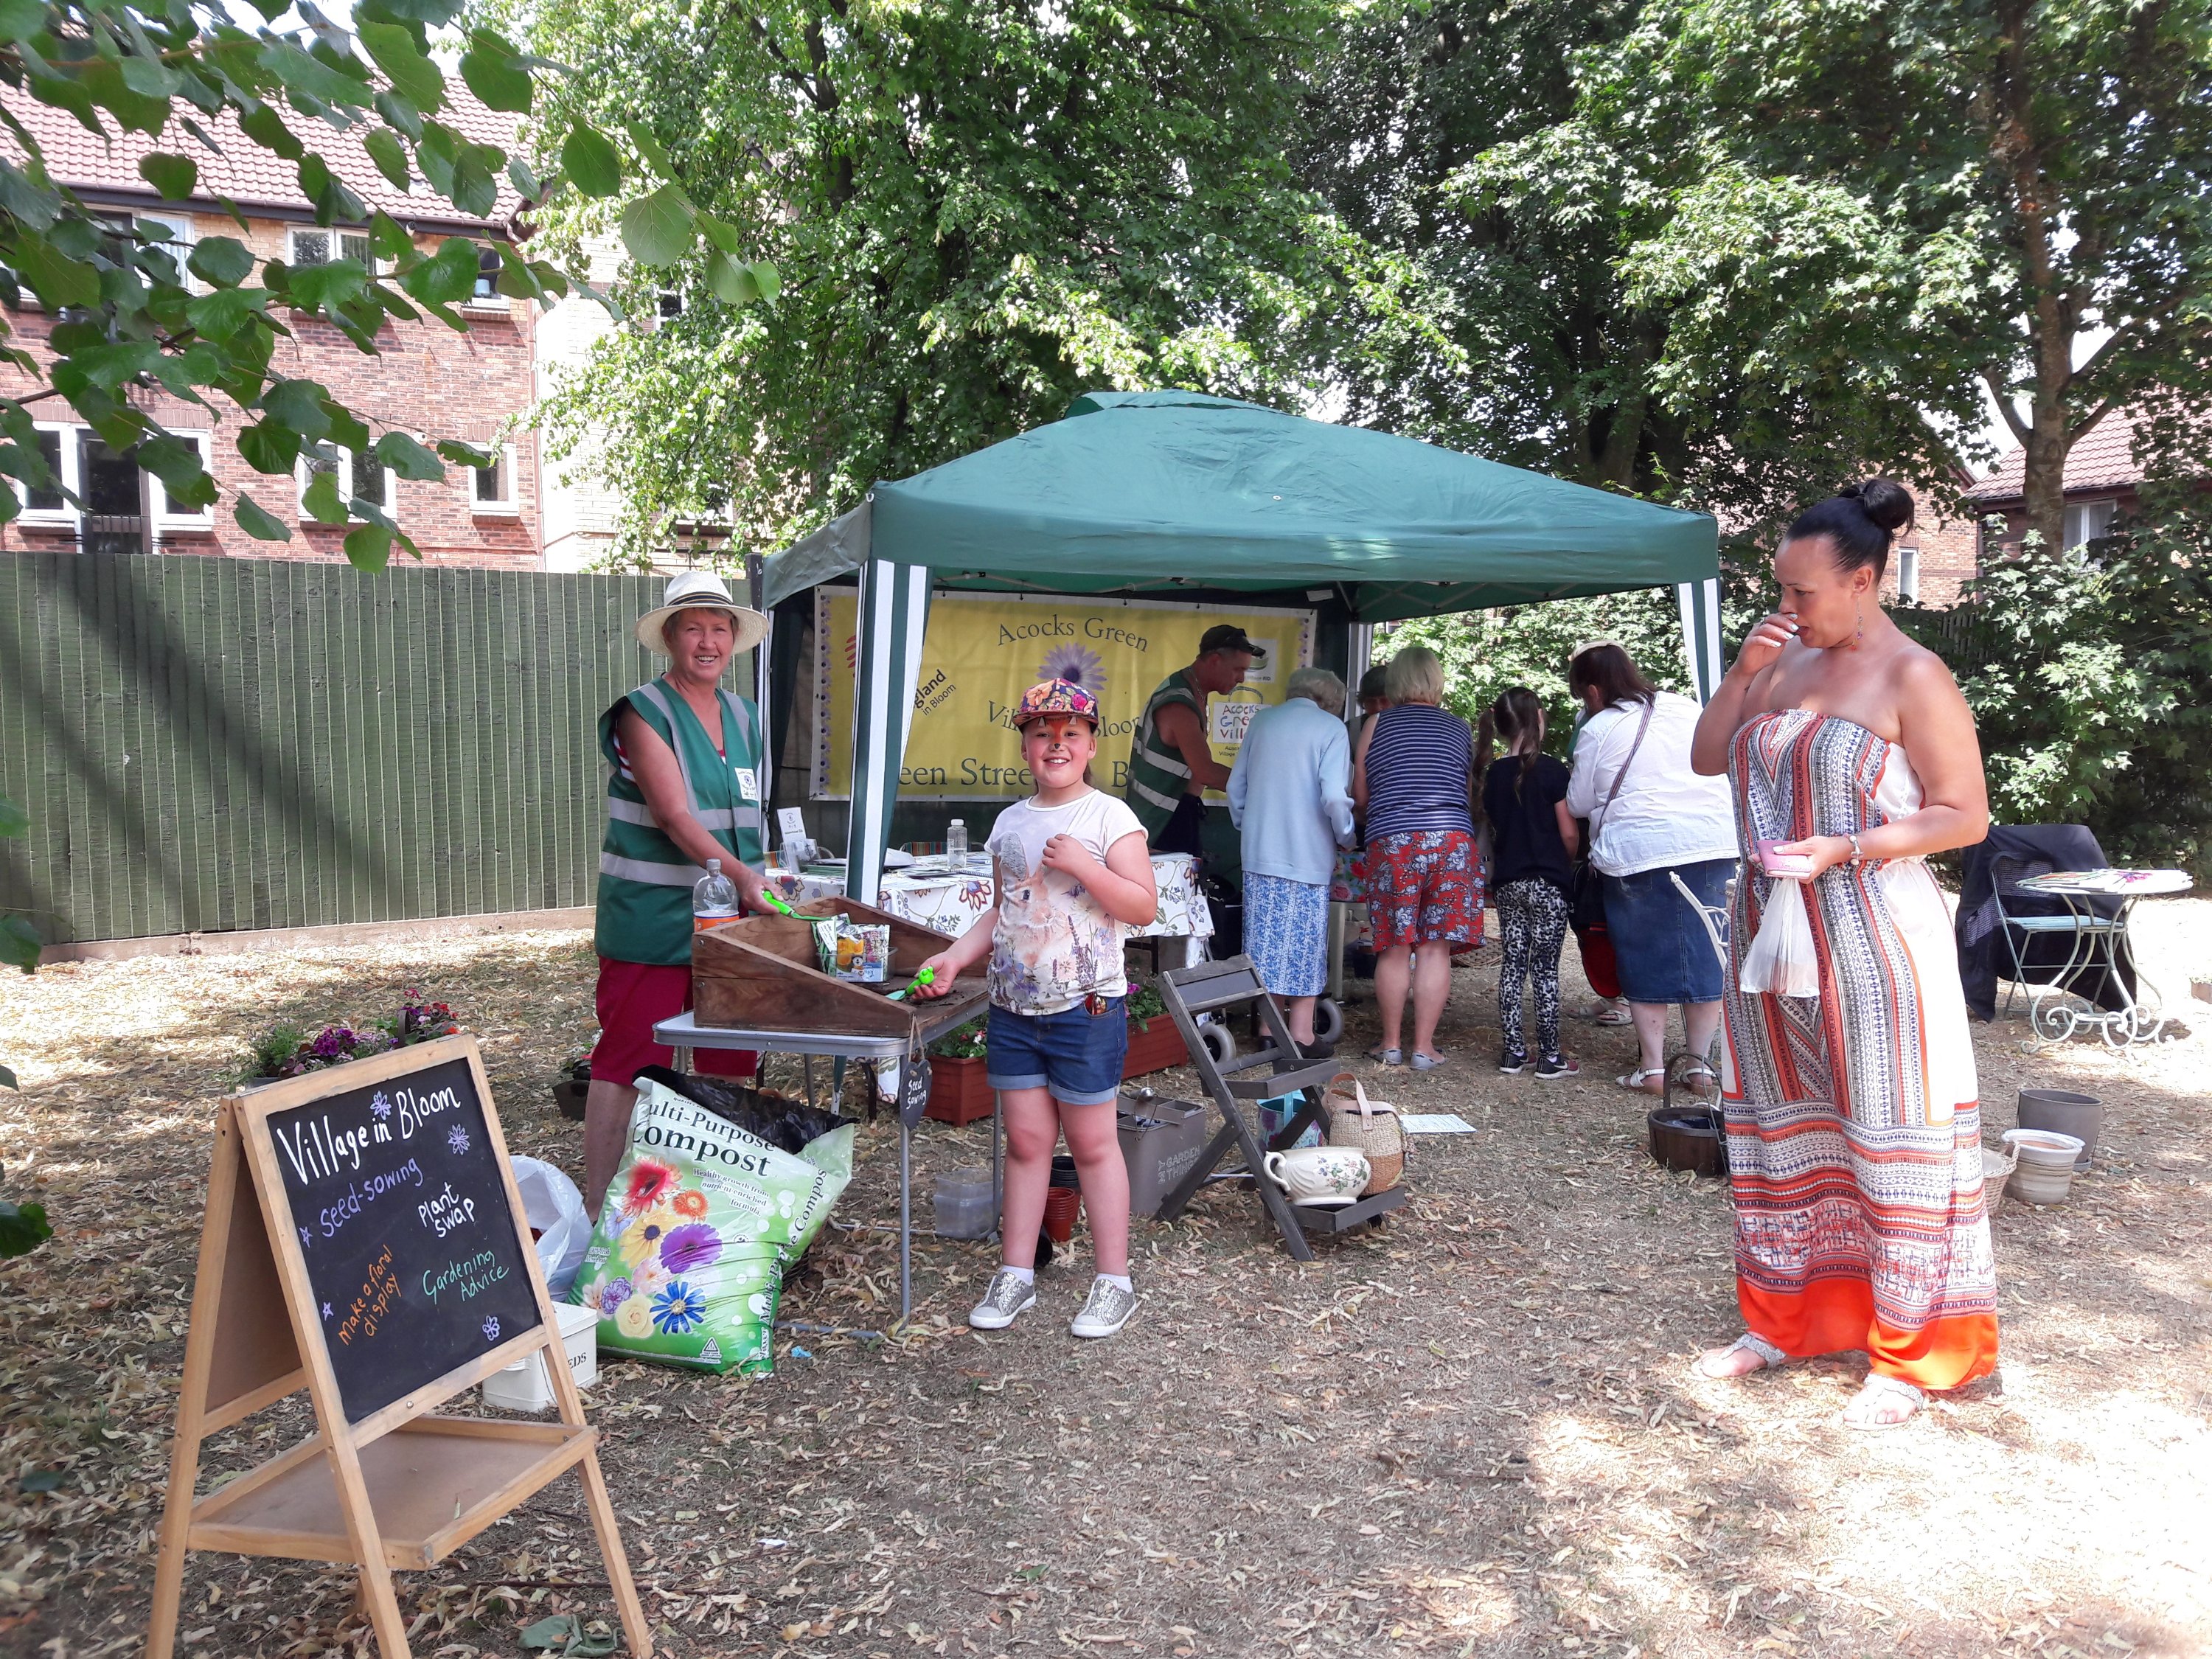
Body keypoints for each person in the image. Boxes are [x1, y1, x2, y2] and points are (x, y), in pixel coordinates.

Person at [1688, 479, 1997, 1431]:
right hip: (1768, 929)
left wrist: (1850, 846)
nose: (1787, 606)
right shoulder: (1781, 662)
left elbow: (1965, 815)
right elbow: (1706, 757)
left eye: (1802, 591)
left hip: (1874, 932)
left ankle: (1906, 1356)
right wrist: (1740, 675)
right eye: (1781, 588)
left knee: (1891, 1131)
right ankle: (1784, 1321)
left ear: (1863, 581)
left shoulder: (1914, 676)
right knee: (1778, 1126)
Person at [916, 680, 1159, 1339]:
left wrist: (1086, 867)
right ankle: (1015, 1273)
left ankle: (1114, 1283)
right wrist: (955, 958)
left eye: (1071, 734)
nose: (1056, 745)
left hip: (1087, 1007)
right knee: (1025, 1144)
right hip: (1014, 1009)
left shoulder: (1110, 818)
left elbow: (1142, 906)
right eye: (1041, 734)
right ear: (1024, 746)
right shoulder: (1010, 823)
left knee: (1092, 1145)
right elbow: (1004, 909)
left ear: (1091, 746)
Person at [585, 570, 776, 1218]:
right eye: (693, 628)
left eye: (719, 628)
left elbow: (746, 815)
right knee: (630, 1062)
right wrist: (746, 877)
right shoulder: (644, 712)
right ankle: (599, 1216)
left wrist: (762, 877)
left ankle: (713, 1212)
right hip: (652, 919)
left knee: (729, 1058)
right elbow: (672, 815)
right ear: (669, 637)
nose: (708, 641)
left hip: (733, 925)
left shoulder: (746, 717)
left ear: (734, 639)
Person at [1564, 642, 1736, 1097]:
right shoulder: (1687, 707)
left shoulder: (1600, 726)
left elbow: (1579, 802)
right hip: (1711, 841)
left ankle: (1653, 1068)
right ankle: (1701, 1067)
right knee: (1706, 951)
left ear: (1593, 690)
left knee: (1641, 952)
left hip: (1637, 848)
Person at [1351, 645, 1480, 1070]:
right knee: (1435, 948)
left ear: (1395, 682)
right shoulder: (1459, 727)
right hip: (1452, 840)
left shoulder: (1376, 723)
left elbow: (1361, 795)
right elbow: (1465, 790)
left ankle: (1390, 1045)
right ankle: (1424, 1048)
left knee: (1393, 946)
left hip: (1394, 841)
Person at [1226, 667, 1354, 1054]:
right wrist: (1346, 835)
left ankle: (1268, 1030)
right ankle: (1301, 1035)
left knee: (1265, 946)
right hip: (1307, 854)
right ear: (1332, 700)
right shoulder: (1331, 728)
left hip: (1260, 852)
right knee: (1305, 945)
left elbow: (1235, 787)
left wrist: (1248, 825)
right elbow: (1334, 796)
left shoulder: (1263, 722)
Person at [1477, 687, 1579, 1079]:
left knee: (1513, 964)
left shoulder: (1493, 774)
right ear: (1539, 717)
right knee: (1546, 969)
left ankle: (1513, 1051)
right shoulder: (1553, 771)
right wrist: (1564, 861)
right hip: (1547, 882)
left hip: (1508, 883)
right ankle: (1550, 1056)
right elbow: (1568, 833)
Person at [1124, 624, 1262, 855]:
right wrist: (1265, 787)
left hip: (1173, 812)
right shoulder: (1178, 702)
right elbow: (1206, 772)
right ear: (1215, 660)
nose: (1241, 679)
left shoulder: (1191, 691)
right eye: (1238, 669)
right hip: (1161, 820)